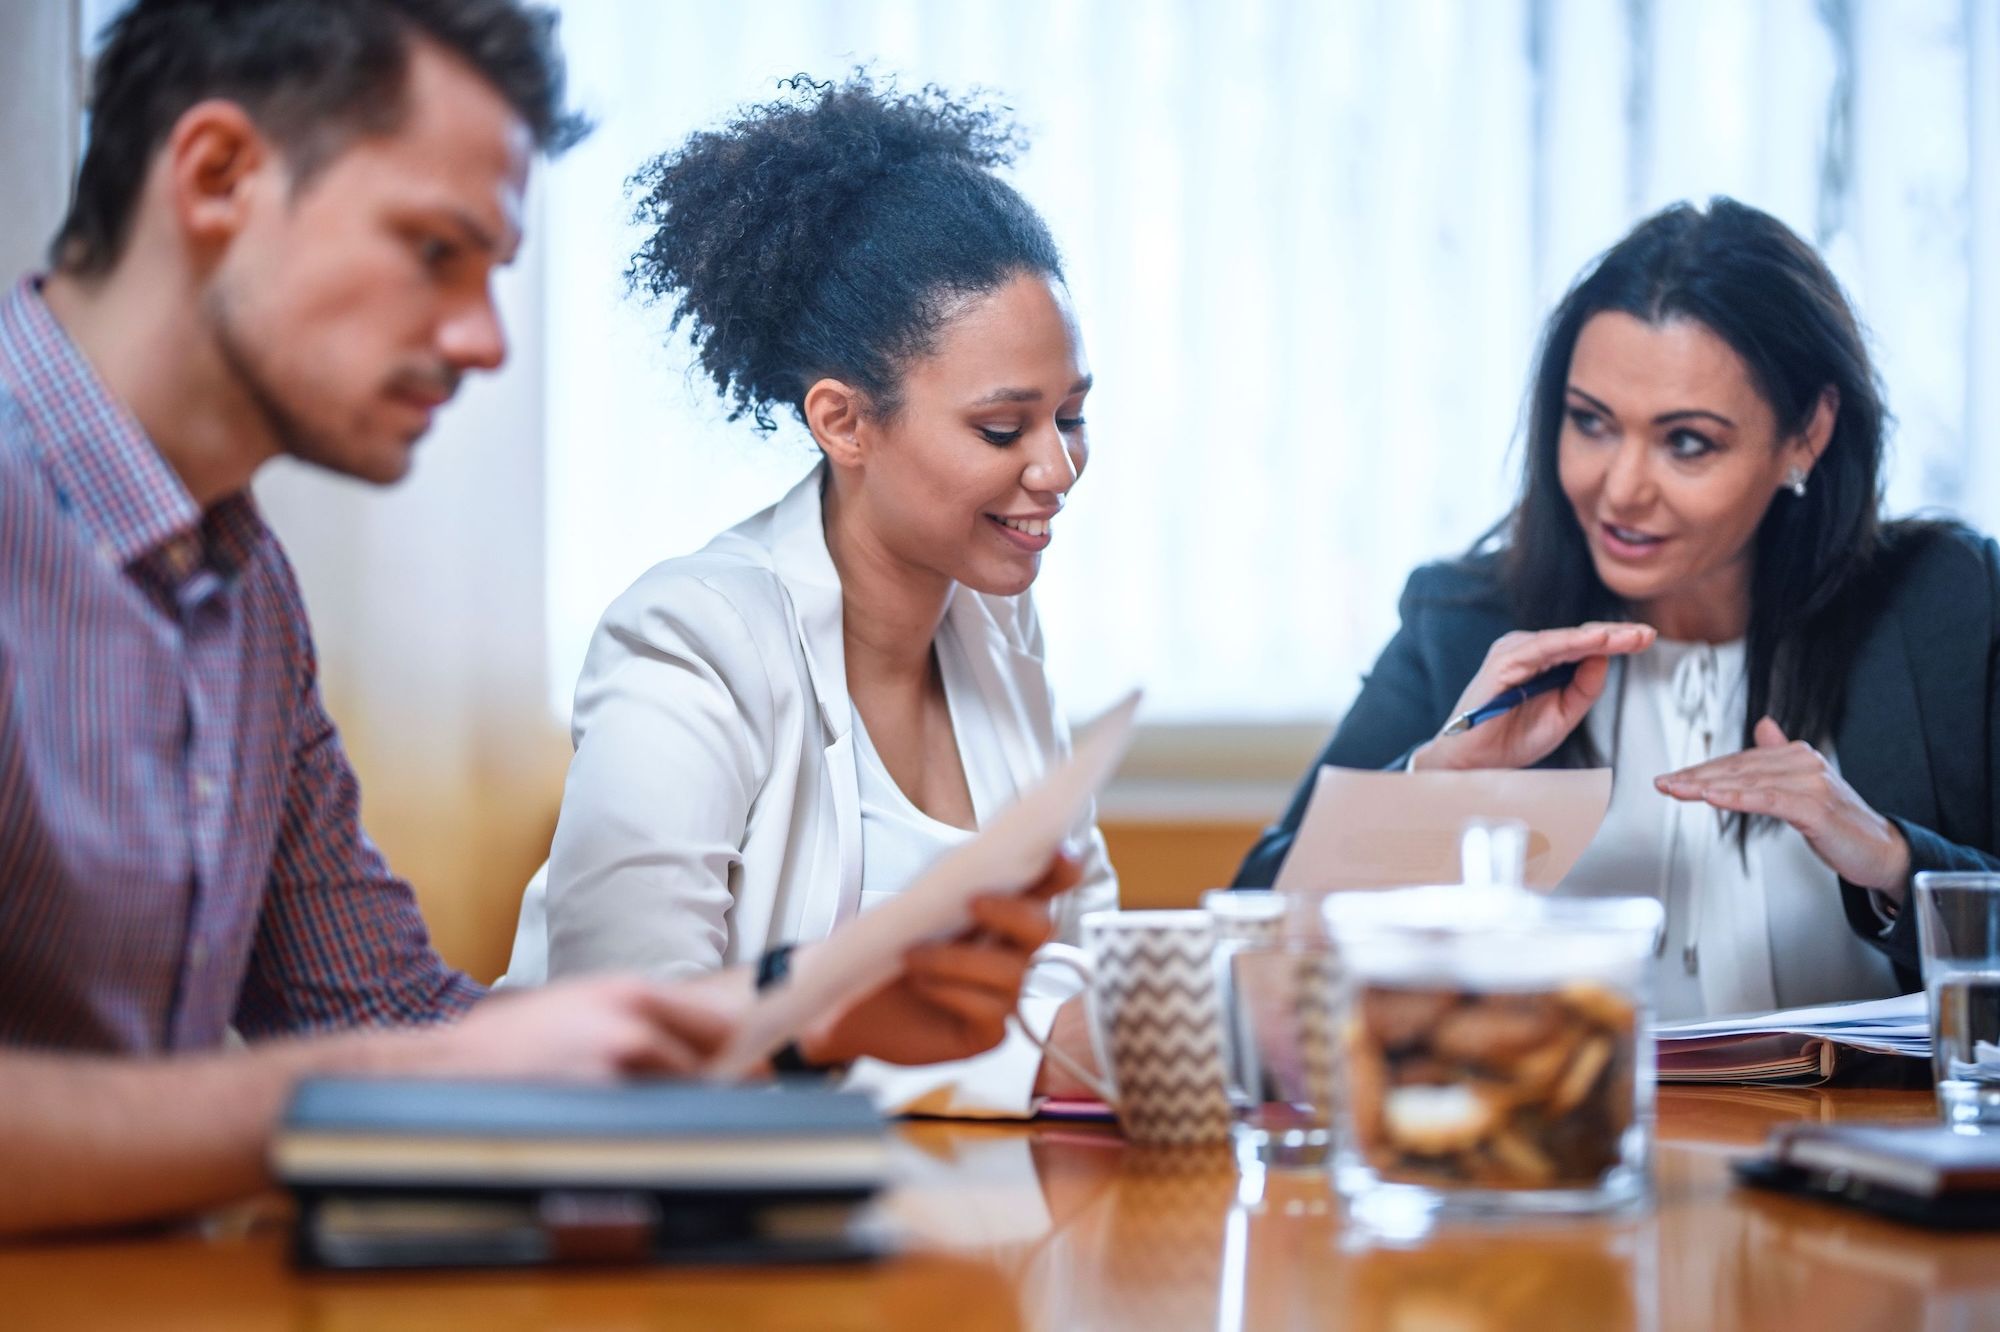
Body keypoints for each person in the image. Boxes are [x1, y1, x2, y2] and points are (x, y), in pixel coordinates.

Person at [0, 0, 1071, 1238]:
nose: (485, 341)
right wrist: (369, 1087)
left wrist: (796, 1012)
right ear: (220, 175)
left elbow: (393, 1026)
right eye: (433, 251)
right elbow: (401, 1074)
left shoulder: (240, 588)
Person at [504, 74, 1117, 1115]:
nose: (1055, 469)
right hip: (656, 1236)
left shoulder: (997, 623)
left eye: (1071, 415)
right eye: (1003, 429)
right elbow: (634, 1024)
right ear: (841, 422)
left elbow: (1079, 950)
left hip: (935, 1222)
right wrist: (1035, 1055)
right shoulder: (689, 641)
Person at [1237, 198, 2000, 1018]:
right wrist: (1433, 781)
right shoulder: (1465, 622)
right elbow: (1255, 922)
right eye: (1592, 424)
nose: (1622, 488)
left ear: (1807, 433)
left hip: (1865, 1144)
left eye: (1687, 442)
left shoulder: (1943, 604)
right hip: (1554, 1133)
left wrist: (1893, 862)